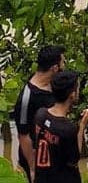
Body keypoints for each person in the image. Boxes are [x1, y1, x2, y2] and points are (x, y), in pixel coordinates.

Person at [13, 45, 65, 182]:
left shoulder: (53, 84)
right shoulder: (27, 97)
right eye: (62, 62)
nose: (64, 66)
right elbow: (23, 135)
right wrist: (32, 167)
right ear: (54, 68)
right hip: (38, 157)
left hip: (54, 153)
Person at [33, 71, 88, 183]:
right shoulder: (67, 129)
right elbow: (74, 159)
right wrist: (82, 125)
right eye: (78, 89)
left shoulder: (40, 114)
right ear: (72, 94)